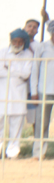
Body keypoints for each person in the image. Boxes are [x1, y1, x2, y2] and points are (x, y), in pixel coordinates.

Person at [0, 29, 34, 159]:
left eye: (20, 42)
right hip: (3, 93)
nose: (17, 44)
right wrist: (17, 72)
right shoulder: (3, 52)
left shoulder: (28, 54)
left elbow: (26, 74)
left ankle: (13, 153)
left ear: (24, 42)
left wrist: (9, 69)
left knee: (16, 125)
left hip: (19, 94)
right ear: (11, 41)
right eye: (15, 41)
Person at [30, 21, 54, 159]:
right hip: (44, 89)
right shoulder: (42, 47)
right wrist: (34, 92)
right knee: (42, 123)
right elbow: (35, 69)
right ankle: (38, 153)